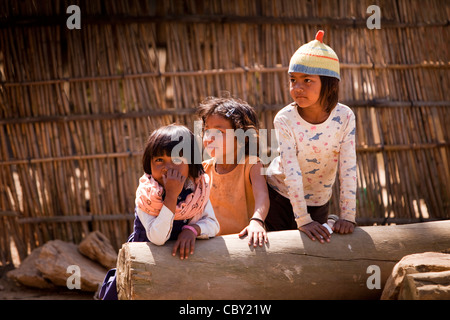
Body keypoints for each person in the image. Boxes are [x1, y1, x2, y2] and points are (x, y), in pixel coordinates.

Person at [265, 30, 357, 243]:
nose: (297, 88)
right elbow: (291, 171)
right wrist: (303, 219)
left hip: (318, 199)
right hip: (279, 195)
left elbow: (348, 166)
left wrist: (348, 217)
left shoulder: (344, 117)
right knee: (278, 252)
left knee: (315, 253)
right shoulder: (285, 119)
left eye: (307, 80)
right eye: (293, 80)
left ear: (329, 83)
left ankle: (332, 220)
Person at [131, 124, 219, 258]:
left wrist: (192, 230)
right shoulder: (146, 194)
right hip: (145, 263)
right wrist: (171, 196)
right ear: (149, 163)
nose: (167, 168)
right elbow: (158, 238)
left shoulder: (197, 191)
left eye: (177, 159)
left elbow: (213, 225)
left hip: (184, 263)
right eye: (159, 160)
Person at [198, 96, 270, 247]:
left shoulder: (251, 165)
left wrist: (256, 222)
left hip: (247, 241)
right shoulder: (204, 169)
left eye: (219, 132)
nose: (209, 138)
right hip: (212, 245)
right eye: (206, 131)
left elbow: (262, 196)